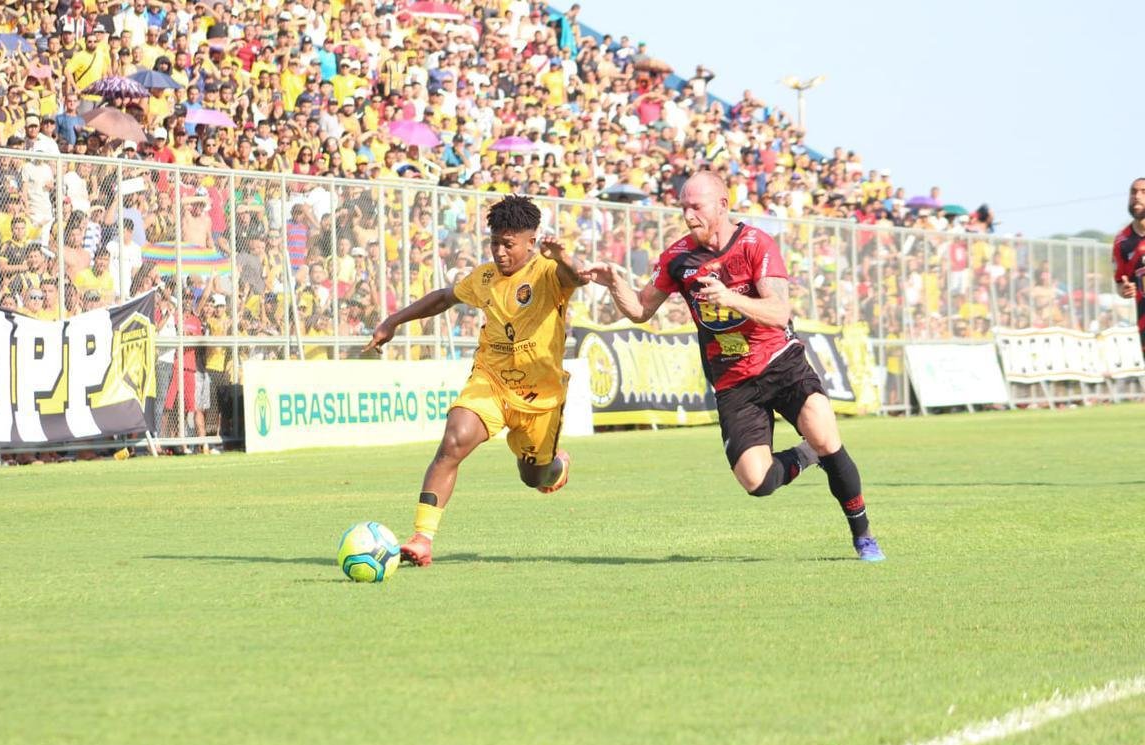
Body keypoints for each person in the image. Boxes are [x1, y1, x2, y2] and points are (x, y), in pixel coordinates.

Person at [580, 171, 885, 562]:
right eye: (684, 207)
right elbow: (641, 310)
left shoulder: (757, 244)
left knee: (828, 437)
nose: (689, 216)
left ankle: (863, 536)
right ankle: (806, 455)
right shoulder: (677, 258)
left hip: (781, 363)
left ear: (722, 205)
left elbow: (779, 312)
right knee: (756, 482)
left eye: (697, 207)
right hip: (732, 380)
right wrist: (614, 285)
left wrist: (729, 298)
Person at [362, 195, 588, 567]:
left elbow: (575, 277)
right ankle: (422, 538)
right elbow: (443, 298)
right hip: (491, 381)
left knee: (535, 476)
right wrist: (392, 322)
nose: (500, 252)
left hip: (541, 398)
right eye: (494, 242)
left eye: (508, 244)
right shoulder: (484, 277)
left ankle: (555, 468)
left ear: (531, 241)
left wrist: (561, 257)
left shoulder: (548, 272)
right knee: (454, 440)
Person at [1113, 177, 1145, 356]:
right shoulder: (1122, 241)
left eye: (1143, 192)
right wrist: (1124, 290)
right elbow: (1120, 283)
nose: (1137, 196)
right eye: (1133, 192)